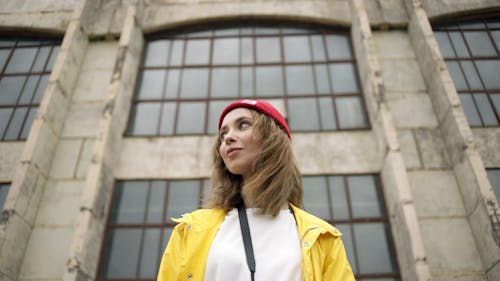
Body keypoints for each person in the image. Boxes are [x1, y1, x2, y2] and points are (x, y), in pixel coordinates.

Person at [157, 99, 355, 281]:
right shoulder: (190, 230)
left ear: (274, 139)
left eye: (243, 125)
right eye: (223, 133)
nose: (228, 138)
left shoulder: (323, 238)